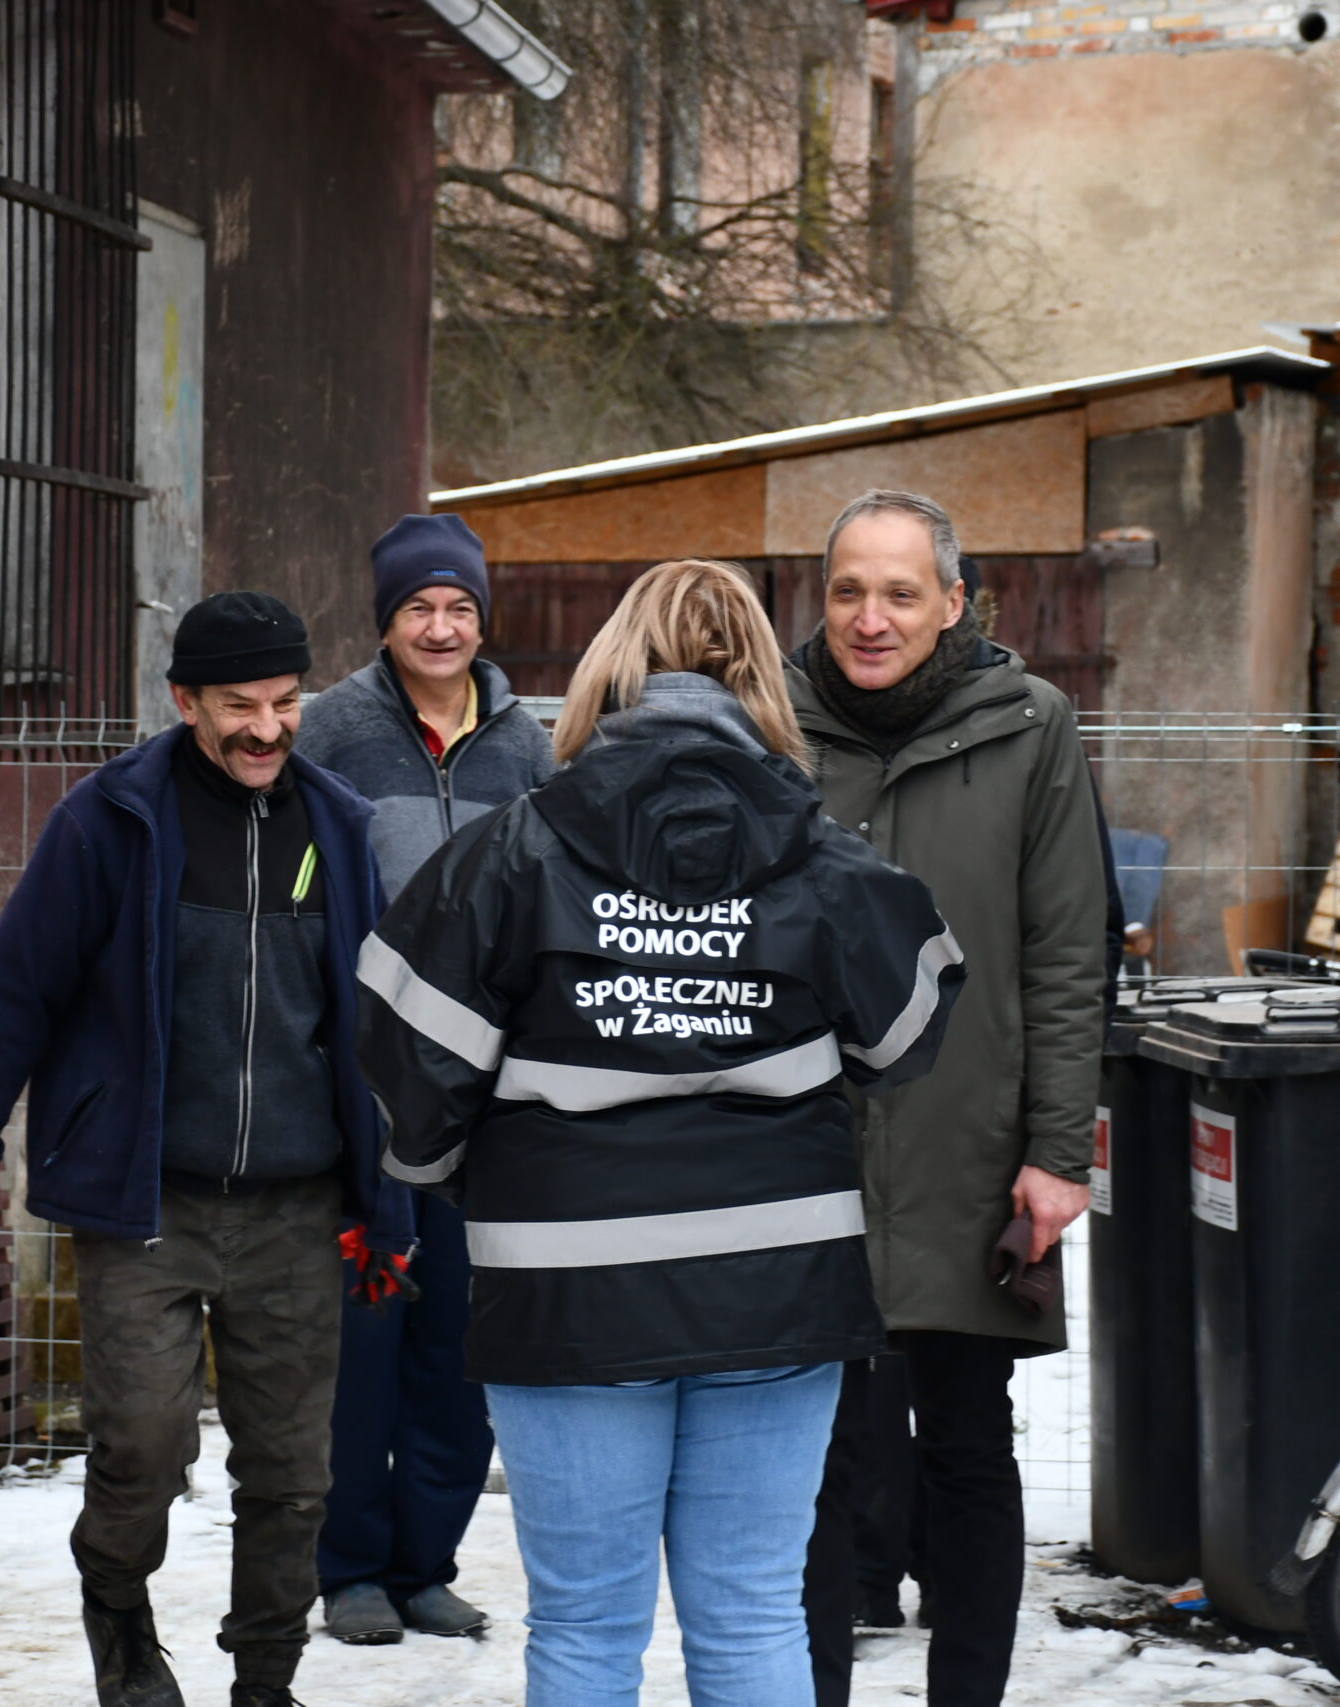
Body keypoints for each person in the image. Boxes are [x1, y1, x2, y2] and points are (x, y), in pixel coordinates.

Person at [357, 558, 968, 1707]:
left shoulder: (513, 849)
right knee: (751, 1616)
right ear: (763, 681)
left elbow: (406, 1046)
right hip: (775, 1280)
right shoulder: (822, 856)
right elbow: (910, 1030)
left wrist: (449, 1171)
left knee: (585, 1627)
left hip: (565, 1284)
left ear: (609, 671)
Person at [0, 590, 416, 1707]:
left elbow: (374, 1023)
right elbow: (15, 995)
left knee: (292, 1472)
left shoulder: (338, 825)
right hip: (145, 1201)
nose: (266, 728)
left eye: (285, 702)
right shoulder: (109, 822)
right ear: (185, 700)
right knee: (141, 1450)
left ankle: (266, 1680)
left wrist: (388, 1194)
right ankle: (122, 1632)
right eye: (240, 705)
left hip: (298, 1207)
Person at [790, 493, 1110, 1707]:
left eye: (900, 593)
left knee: (968, 1443)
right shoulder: (773, 721)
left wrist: (1057, 1152)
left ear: (952, 604)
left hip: (968, 1145)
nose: (870, 619)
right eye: (848, 591)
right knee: (809, 1458)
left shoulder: (1029, 725)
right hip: (804, 1146)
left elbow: (1067, 951)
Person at [293, 513, 555, 1645]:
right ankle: (350, 1567)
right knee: (364, 1338)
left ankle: (424, 1562)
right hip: (364, 1091)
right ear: (385, 620)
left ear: (482, 620)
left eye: (458, 608)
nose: (440, 628)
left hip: (485, 1095)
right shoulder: (331, 733)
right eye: (417, 608)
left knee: (462, 1341)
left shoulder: (524, 747)